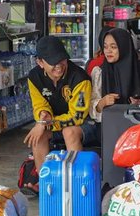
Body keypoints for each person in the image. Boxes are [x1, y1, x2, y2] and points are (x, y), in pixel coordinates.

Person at [23, 36, 92, 193]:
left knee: (69, 132)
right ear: (40, 62)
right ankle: (45, 182)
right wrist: (43, 117)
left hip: (85, 124)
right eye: (53, 62)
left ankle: (76, 183)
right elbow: (39, 105)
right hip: (54, 122)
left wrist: (44, 124)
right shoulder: (34, 78)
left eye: (62, 60)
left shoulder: (80, 78)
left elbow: (78, 116)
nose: (59, 66)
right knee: (38, 136)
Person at [89, 28, 140, 123]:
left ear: (124, 47)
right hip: (109, 127)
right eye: (105, 47)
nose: (108, 51)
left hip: (139, 126)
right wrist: (102, 102)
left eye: (113, 47)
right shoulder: (99, 72)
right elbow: (92, 109)